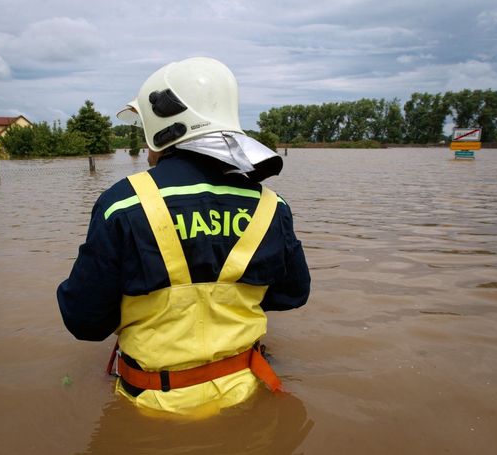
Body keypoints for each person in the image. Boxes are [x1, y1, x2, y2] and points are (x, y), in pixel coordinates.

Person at [57, 57, 310, 416]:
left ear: (164, 128)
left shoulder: (122, 203)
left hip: (150, 407)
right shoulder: (272, 205)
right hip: (246, 394)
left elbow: (84, 320)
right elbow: (292, 295)